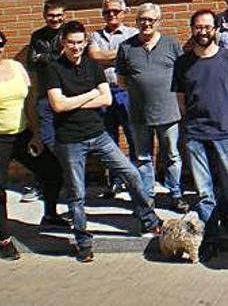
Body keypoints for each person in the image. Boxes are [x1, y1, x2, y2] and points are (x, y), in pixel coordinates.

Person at [46, 21, 161, 263]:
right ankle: (83, 242)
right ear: (63, 43)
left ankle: (148, 219)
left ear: (85, 42)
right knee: (77, 194)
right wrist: (90, 95)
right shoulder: (53, 69)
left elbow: (106, 99)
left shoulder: (92, 66)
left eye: (80, 42)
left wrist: (73, 102)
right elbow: (57, 105)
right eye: (71, 43)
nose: (76, 47)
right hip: (70, 141)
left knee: (130, 173)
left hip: (98, 134)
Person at [174, 9, 228, 261]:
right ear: (192, 29)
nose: (203, 32)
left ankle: (227, 216)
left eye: (207, 27)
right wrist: (190, 121)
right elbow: (181, 97)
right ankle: (212, 235)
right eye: (198, 27)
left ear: (216, 29)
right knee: (204, 189)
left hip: (226, 131)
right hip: (196, 133)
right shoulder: (183, 62)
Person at [0, 29, 68, 261]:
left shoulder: (15, 67)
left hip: (22, 135)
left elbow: (29, 100)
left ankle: (50, 214)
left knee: (52, 171)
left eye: (0, 43)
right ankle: (3, 241)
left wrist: (37, 133)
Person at [116, 3, 188, 213]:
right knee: (143, 157)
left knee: (172, 155)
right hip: (139, 113)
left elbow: (182, 76)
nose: (146, 23)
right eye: (142, 20)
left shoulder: (171, 44)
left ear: (158, 22)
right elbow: (122, 81)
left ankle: (175, 194)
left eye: (151, 20)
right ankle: (147, 197)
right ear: (137, 22)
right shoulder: (126, 47)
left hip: (169, 112)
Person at [88, 0, 139, 199]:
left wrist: (108, 54)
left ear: (124, 12)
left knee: (134, 136)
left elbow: (132, 58)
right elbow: (94, 56)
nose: (111, 15)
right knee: (108, 139)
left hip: (127, 91)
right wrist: (121, 53)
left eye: (115, 11)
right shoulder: (94, 36)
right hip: (103, 92)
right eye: (107, 12)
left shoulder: (133, 33)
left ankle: (137, 179)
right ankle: (116, 181)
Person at [26, 0, 66, 201]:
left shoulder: (69, 33)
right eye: (51, 15)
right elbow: (32, 62)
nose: (56, 19)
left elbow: (73, 57)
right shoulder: (37, 36)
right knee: (46, 141)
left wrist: (45, 57)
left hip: (68, 95)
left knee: (69, 140)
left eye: (59, 15)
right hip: (45, 95)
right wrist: (52, 57)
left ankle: (70, 183)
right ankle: (42, 184)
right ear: (44, 16)